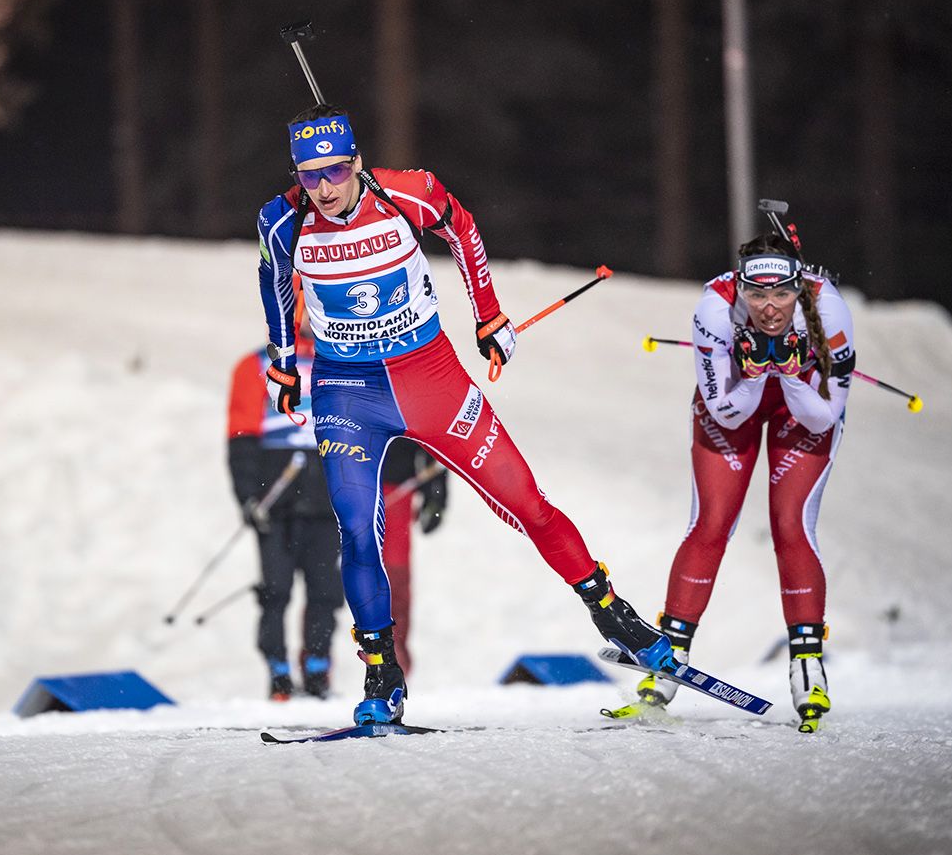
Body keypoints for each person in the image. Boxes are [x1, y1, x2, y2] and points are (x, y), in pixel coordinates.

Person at [255, 104, 676, 726]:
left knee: (524, 500)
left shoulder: (408, 193)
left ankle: (615, 614)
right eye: (309, 175)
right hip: (348, 390)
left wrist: (489, 314)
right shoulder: (282, 219)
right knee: (356, 528)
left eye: (336, 171)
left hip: (431, 376)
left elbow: (464, 229)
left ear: (357, 162)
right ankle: (382, 672)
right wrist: (286, 360)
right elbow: (274, 282)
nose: (323, 188)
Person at [630, 234, 854, 732]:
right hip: (734, 403)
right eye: (756, 294)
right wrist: (755, 376)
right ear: (739, 288)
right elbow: (723, 411)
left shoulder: (830, 311)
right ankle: (668, 661)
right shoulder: (714, 308)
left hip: (804, 411)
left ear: (801, 286)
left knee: (790, 525)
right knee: (710, 523)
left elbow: (824, 417)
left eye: (781, 295)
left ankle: (807, 667)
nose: (769, 308)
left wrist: (792, 377)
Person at [227, 296, 344, 701]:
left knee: (326, 589)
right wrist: (246, 497)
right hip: (274, 500)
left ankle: (317, 667)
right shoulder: (255, 366)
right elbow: (240, 437)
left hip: (326, 497)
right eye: (311, 310)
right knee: (275, 589)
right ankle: (277, 671)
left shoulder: (340, 362)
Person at [378, 437, 447, 673]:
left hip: (396, 488)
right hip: (346, 488)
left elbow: (431, 436)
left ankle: (395, 655)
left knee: (394, 578)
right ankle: (316, 664)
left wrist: (436, 497)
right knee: (327, 580)